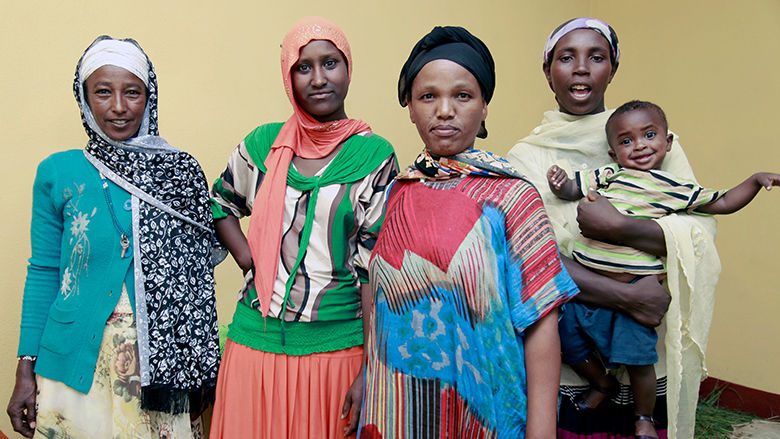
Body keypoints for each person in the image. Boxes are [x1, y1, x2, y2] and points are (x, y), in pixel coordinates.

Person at [358, 26, 578, 439]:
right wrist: (368, 377)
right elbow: (370, 291)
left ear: (484, 106)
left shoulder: (513, 198)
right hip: (397, 410)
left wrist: (542, 431)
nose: (445, 110)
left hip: (487, 413)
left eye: (462, 95)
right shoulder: (391, 196)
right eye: (428, 96)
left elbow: (542, 323)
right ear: (409, 106)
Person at [507, 18, 721, 439]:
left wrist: (618, 227)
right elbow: (528, 255)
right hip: (572, 337)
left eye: (597, 57)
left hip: (647, 326)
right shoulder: (526, 157)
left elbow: (697, 231)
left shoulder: (654, 140)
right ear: (547, 69)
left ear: (613, 69)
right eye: (567, 57)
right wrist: (627, 296)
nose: (582, 68)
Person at [6, 36, 221, 438]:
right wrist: (25, 368)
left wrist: (196, 371)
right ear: (84, 98)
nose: (119, 107)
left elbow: (196, 286)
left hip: (160, 369)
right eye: (103, 92)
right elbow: (42, 273)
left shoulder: (177, 173)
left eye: (132, 93)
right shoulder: (58, 171)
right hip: (70, 366)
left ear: (149, 97)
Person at [208, 16, 397, 439]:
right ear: (288, 76)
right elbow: (220, 203)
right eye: (303, 67)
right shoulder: (262, 146)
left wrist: (371, 367)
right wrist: (249, 261)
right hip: (253, 347)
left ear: (348, 67)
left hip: (337, 351)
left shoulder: (373, 156)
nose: (317, 79)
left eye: (330, 63)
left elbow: (373, 270)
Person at [547, 99, 780, 439]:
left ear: (667, 142)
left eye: (649, 135)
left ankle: (643, 417)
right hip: (588, 291)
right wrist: (560, 182)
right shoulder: (610, 176)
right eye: (626, 141)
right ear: (613, 154)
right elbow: (572, 188)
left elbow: (724, 202)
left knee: (640, 361)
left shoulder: (674, 188)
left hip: (632, 299)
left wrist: (755, 181)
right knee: (564, 336)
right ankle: (602, 383)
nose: (639, 145)